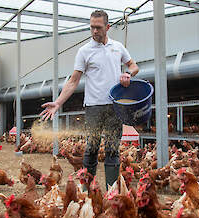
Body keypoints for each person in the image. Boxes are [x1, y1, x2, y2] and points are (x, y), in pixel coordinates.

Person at [40, 10, 139, 188]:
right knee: (91, 149)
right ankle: (87, 190)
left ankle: (111, 191)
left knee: (112, 149)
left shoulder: (117, 47)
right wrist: (58, 102)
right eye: (92, 27)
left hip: (115, 106)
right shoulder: (84, 51)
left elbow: (133, 66)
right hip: (94, 107)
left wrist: (127, 74)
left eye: (98, 27)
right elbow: (73, 81)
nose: (94, 31)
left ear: (107, 27)